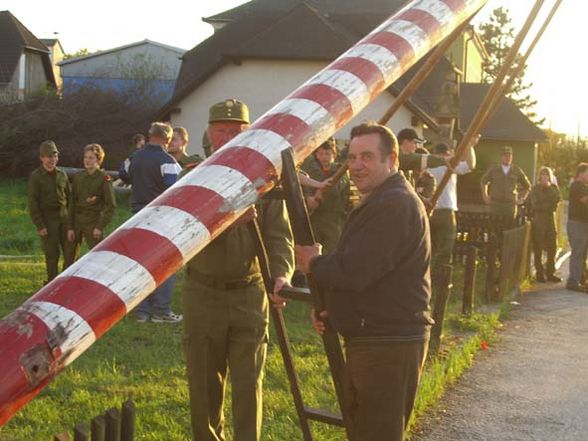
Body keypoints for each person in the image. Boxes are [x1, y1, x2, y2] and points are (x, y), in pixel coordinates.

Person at [293, 122, 433, 441]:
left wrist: (313, 262)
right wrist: (333, 309)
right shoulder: (383, 199)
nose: (357, 165)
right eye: (353, 157)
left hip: (388, 347)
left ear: (392, 159)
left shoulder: (394, 203)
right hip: (378, 341)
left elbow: (357, 269)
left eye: (367, 157)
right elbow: (374, 274)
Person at [182, 99, 294, 441]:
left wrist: (281, 275)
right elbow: (184, 237)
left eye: (236, 131)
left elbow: (279, 237)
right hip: (203, 293)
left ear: (249, 134)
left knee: (249, 384)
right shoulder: (192, 180)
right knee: (203, 385)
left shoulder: (265, 182)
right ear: (210, 133)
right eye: (222, 130)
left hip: (249, 293)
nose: (228, 137)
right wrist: (226, 221)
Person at [130, 122, 183, 323]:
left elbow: (125, 175)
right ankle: (161, 309)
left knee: (141, 263)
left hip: (136, 214)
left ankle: (142, 311)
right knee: (166, 262)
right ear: (167, 140)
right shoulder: (168, 161)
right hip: (159, 215)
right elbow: (174, 189)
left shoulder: (134, 158)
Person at [428, 139, 477, 287]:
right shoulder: (450, 165)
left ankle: (425, 280)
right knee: (445, 250)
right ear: (447, 153)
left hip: (427, 211)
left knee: (429, 248)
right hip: (446, 212)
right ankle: (437, 283)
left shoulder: (428, 167)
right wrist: (469, 147)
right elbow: (470, 165)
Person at [28, 140, 73, 283]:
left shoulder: (62, 175)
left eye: (54, 156)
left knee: (70, 251)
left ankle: (66, 282)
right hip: (48, 220)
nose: (51, 160)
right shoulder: (36, 177)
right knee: (52, 253)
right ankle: (52, 283)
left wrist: (71, 222)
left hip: (64, 218)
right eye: (48, 157)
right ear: (41, 158)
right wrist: (40, 225)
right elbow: (33, 203)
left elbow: (70, 198)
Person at [65, 144, 116, 264]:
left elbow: (111, 205)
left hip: (93, 222)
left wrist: (100, 226)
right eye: (85, 157)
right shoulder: (78, 177)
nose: (87, 160)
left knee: (97, 257)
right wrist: (70, 227)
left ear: (98, 160)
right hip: (77, 220)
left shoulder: (104, 179)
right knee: (69, 256)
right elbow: (72, 203)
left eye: (91, 158)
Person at [301, 137, 350, 254]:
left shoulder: (340, 171)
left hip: (333, 218)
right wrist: (308, 198)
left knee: (334, 250)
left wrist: (318, 198)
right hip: (314, 218)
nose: (324, 157)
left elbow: (336, 188)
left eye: (327, 154)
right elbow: (304, 187)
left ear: (334, 155)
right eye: (321, 154)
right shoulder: (311, 171)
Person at [480, 146, 531, 223]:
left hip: (510, 206)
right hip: (496, 205)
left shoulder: (516, 170)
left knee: (509, 229)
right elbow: (483, 182)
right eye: (505, 155)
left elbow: (528, 186)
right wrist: (485, 196)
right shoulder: (494, 169)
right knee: (495, 229)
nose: (508, 158)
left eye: (509, 155)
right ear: (501, 157)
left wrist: (522, 199)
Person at [529, 167, 561, 283]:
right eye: (543, 175)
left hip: (550, 221)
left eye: (547, 175)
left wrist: (545, 204)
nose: (545, 177)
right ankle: (539, 273)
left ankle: (550, 272)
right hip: (539, 221)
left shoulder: (553, 189)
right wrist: (547, 205)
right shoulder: (535, 189)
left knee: (552, 247)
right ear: (539, 176)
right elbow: (535, 205)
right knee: (538, 247)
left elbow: (556, 202)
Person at [566, 163, 588, 292]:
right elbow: (585, 200)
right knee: (578, 252)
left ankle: (580, 278)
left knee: (583, 252)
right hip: (577, 224)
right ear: (581, 173)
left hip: (584, 223)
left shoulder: (584, 186)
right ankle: (573, 280)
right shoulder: (576, 186)